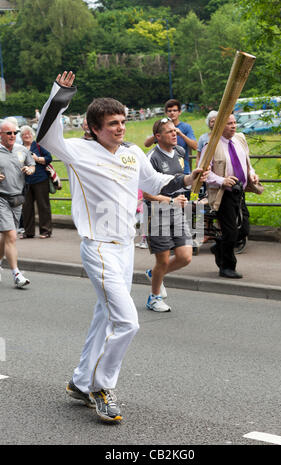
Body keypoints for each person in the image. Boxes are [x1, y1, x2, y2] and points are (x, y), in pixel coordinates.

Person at [36, 70, 206, 424]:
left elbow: (156, 181)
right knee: (127, 322)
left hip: (125, 246)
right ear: (94, 128)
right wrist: (60, 94)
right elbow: (44, 133)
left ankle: (81, 382)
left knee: (104, 317)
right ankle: (101, 387)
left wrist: (189, 179)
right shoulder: (76, 151)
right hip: (97, 247)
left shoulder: (132, 153)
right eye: (112, 123)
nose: (120, 128)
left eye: (123, 121)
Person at [143, 118, 208, 312]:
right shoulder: (151, 158)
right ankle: (154, 298)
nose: (175, 134)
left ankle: (155, 274)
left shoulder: (180, 152)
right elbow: (146, 193)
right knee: (162, 261)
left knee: (185, 257)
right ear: (158, 136)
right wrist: (169, 201)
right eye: (169, 131)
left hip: (178, 210)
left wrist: (193, 191)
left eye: (175, 130)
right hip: (157, 212)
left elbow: (183, 180)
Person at [201, 114, 260, 279]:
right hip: (223, 194)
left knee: (244, 229)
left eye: (234, 123)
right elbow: (203, 172)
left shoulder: (240, 140)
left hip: (239, 192)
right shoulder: (211, 145)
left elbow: (247, 163)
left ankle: (219, 246)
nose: (233, 126)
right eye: (229, 123)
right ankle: (227, 266)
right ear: (220, 126)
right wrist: (222, 180)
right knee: (231, 231)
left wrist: (252, 174)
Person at [0, 120, 35, 288]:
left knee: (6, 237)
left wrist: (30, 170)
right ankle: (16, 274)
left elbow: (32, 164)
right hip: (1, 199)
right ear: (1, 135)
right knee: (12, 236)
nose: (13, 135)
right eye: (9, 133)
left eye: (15, 132)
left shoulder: (22, 150)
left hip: (17, 198)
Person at [144, 99, 197, 174]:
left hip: (183, 170)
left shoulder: (186, 127)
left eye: (175, 110)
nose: (172, 113)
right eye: (169, 111)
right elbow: (146, 144)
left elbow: (195, 146)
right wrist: (159, 133)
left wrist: (181, 134)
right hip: (166, 170)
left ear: (179, 112)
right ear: (166, 113)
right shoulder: (162, 127)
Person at [20, 125, 52, 239]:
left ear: (32, 135)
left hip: (40, 179)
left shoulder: (38, 146)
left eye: (29, 134)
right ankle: (28, 232)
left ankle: (45, 231)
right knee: (26, 207)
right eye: (24, 134)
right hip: (25, 181)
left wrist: (37, 159)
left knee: (43, 206)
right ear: (21, 137)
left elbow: (49, 158)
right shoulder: (19, 148)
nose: (27, 136)